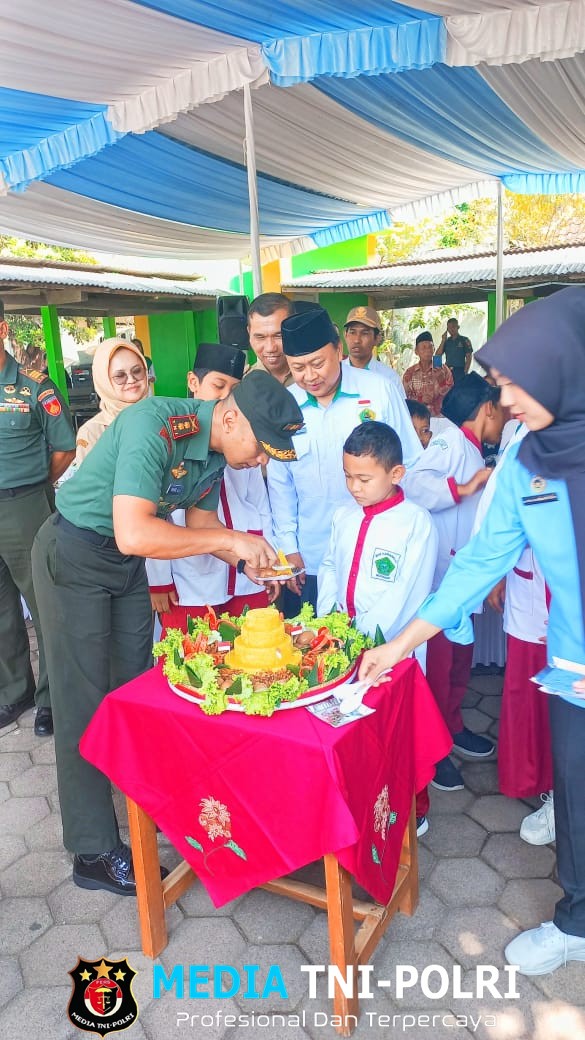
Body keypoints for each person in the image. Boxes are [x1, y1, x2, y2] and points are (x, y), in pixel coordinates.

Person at [358, 286, 585, 975]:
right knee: (574, 791)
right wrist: (399, 644)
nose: (507, 402)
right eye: (501, 387)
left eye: (516, 384)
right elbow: (480, 560)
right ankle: (577, 918)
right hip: (573, 666)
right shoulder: (523, 462)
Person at [31, 369, 302, 896]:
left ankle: (143, 814)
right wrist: (231, 538)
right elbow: (135, 531)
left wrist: (245, 557)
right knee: (82, 701)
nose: (262, 460)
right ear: (229, 416)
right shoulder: (154, 425)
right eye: (262, 448)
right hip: (75, 555)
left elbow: (199, 525)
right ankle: (92, 849)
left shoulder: (219, 451)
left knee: (139, 691)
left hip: (123, 565)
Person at [317, 421, 438, 836]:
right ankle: (360, 805)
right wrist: (331, 622)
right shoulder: (343, 516)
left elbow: (408, 591)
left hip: (392, 649)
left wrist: (367, 639)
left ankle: (414, 805)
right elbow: (330, 565)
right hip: (342, 643)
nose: (354, 486)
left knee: (399, 732)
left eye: (364, 478)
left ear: (396, 474)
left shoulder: (415, 523)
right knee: (356, 733)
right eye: (348, 475)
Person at [267, 306, 422, 615]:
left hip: (377, 550)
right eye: (298, 368)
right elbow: (279, 483)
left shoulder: (379, 391)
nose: (309, 376)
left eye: (317, 363)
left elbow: (412, 465)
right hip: (310, 555)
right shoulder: (285, 407)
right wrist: (289, 548)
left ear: (338, 350)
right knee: (315, 649)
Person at [403, 374, 505, 791]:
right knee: (440, 665)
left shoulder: (475, 448)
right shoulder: (450, 441)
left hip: (464, 576)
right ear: (487, 409)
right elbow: (414, 482)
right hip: (443, 576)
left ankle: (454, 727)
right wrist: (464, 487)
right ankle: (435, 749)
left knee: (461, 658)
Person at [146, 343, 273, 628]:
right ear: (193, 382)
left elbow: (260, 504)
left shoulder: (245, 434)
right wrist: (159, 578)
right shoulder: (173, 434)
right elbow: (154, 515)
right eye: (218, 386)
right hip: (191, 573)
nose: (225, 396)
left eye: (234, 389)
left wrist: (268, 560)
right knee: (192, 657)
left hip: (244, 569)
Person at [0, 299, 75, 736]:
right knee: (3, 608)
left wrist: (34, 485)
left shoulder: (34, 386)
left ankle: (50, 699)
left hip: (25, 507)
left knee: (45, 604)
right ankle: (15, 692)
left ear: (2, 329)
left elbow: (64, 447)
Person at [76, 338, 149, 462]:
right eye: (120, 376)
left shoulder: (164, 416)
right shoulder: (93, 433)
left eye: (137, 371)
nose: (131, 380)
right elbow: (90, 480)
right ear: (103, 380)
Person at [343, 305, 405, 397]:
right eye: (352, 332)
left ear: (377, 338)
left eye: (364, 333)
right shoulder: (334, 374)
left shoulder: (389, 378)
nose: (357, 340)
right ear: (345, 335)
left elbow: (399, 410)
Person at [248, 292, 294, 386]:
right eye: (260, 337)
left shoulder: (315, 379)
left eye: (279, 336)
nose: (270, 348)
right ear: (249, 333)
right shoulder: (240, 385)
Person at [403, 331, 453, 416]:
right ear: (416, 351)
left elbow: (452, 396)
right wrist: (420, 399)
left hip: (440, 417)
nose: (428, 350)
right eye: (423, 347)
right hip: (418, 419)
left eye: (430, 347)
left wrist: (442, 382)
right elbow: (404, 397)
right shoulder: (410, 373)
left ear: (434, 349)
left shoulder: (444, 370)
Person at [435, 318, 472, 383]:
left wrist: (465, 372)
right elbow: (437, 355)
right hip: (448, 371)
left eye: (453, 327)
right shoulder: (446, 341)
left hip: (460, 371)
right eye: (449, 327)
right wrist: (443, 340)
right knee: (448, 391)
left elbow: (469, 358)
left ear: (458, 327)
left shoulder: (464, 340)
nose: (451, 329)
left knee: (458, 391)